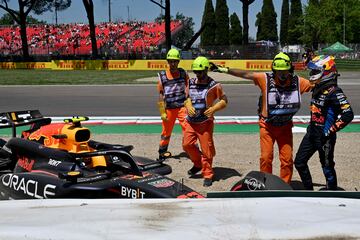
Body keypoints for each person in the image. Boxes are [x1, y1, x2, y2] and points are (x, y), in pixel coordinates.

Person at [210, 52, 313, 184]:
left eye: (285, 71)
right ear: (274, 70)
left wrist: (328, 76)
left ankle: (285, 184)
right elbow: (246, 74)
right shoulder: (265, 79)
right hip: (267, 126)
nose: (282, 75)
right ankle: (265, 182)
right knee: (266, 157)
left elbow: (314, 85)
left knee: (287, 159)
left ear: (290, 70)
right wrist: (223, 69)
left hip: (285, 127)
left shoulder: (298, 82)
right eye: (278, 71)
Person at [294, 55, 354, 190]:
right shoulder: (317, 87)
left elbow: (348, 114)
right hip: (312, 133)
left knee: (327, 166)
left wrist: (330, 130)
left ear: (326, 71)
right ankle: (308, 190)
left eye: (315, 71)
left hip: (325, 137)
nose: (312, 74)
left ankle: (332, 193)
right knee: (299, 162)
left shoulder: (335, 91)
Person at [183, 56, 228, 187]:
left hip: (205, 123)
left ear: (207, 70)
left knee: (206, 149)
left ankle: (208, 174)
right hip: (191, 122)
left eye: (200, 72)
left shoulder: (214, 85)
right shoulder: (190, 82)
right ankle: (198, 164)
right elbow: (186, 98)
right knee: (187, 145)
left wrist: (214, 108)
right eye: (196, 72)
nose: (198, 74)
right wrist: (188, 105)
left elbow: (224, 100)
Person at [157, 48, 189, 160]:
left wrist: (189, 103)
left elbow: (187, 88)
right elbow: (161, 94)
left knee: (188, 128)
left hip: (182, 107)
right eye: (171, 61)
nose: (173, 63)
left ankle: (190, 148)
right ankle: (162, 152)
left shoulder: (183, 73)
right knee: (166, 132)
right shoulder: (162, 76)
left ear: (178, 61)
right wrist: (162, 111)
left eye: (175, 61)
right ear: (167, 61)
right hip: (169, 108)